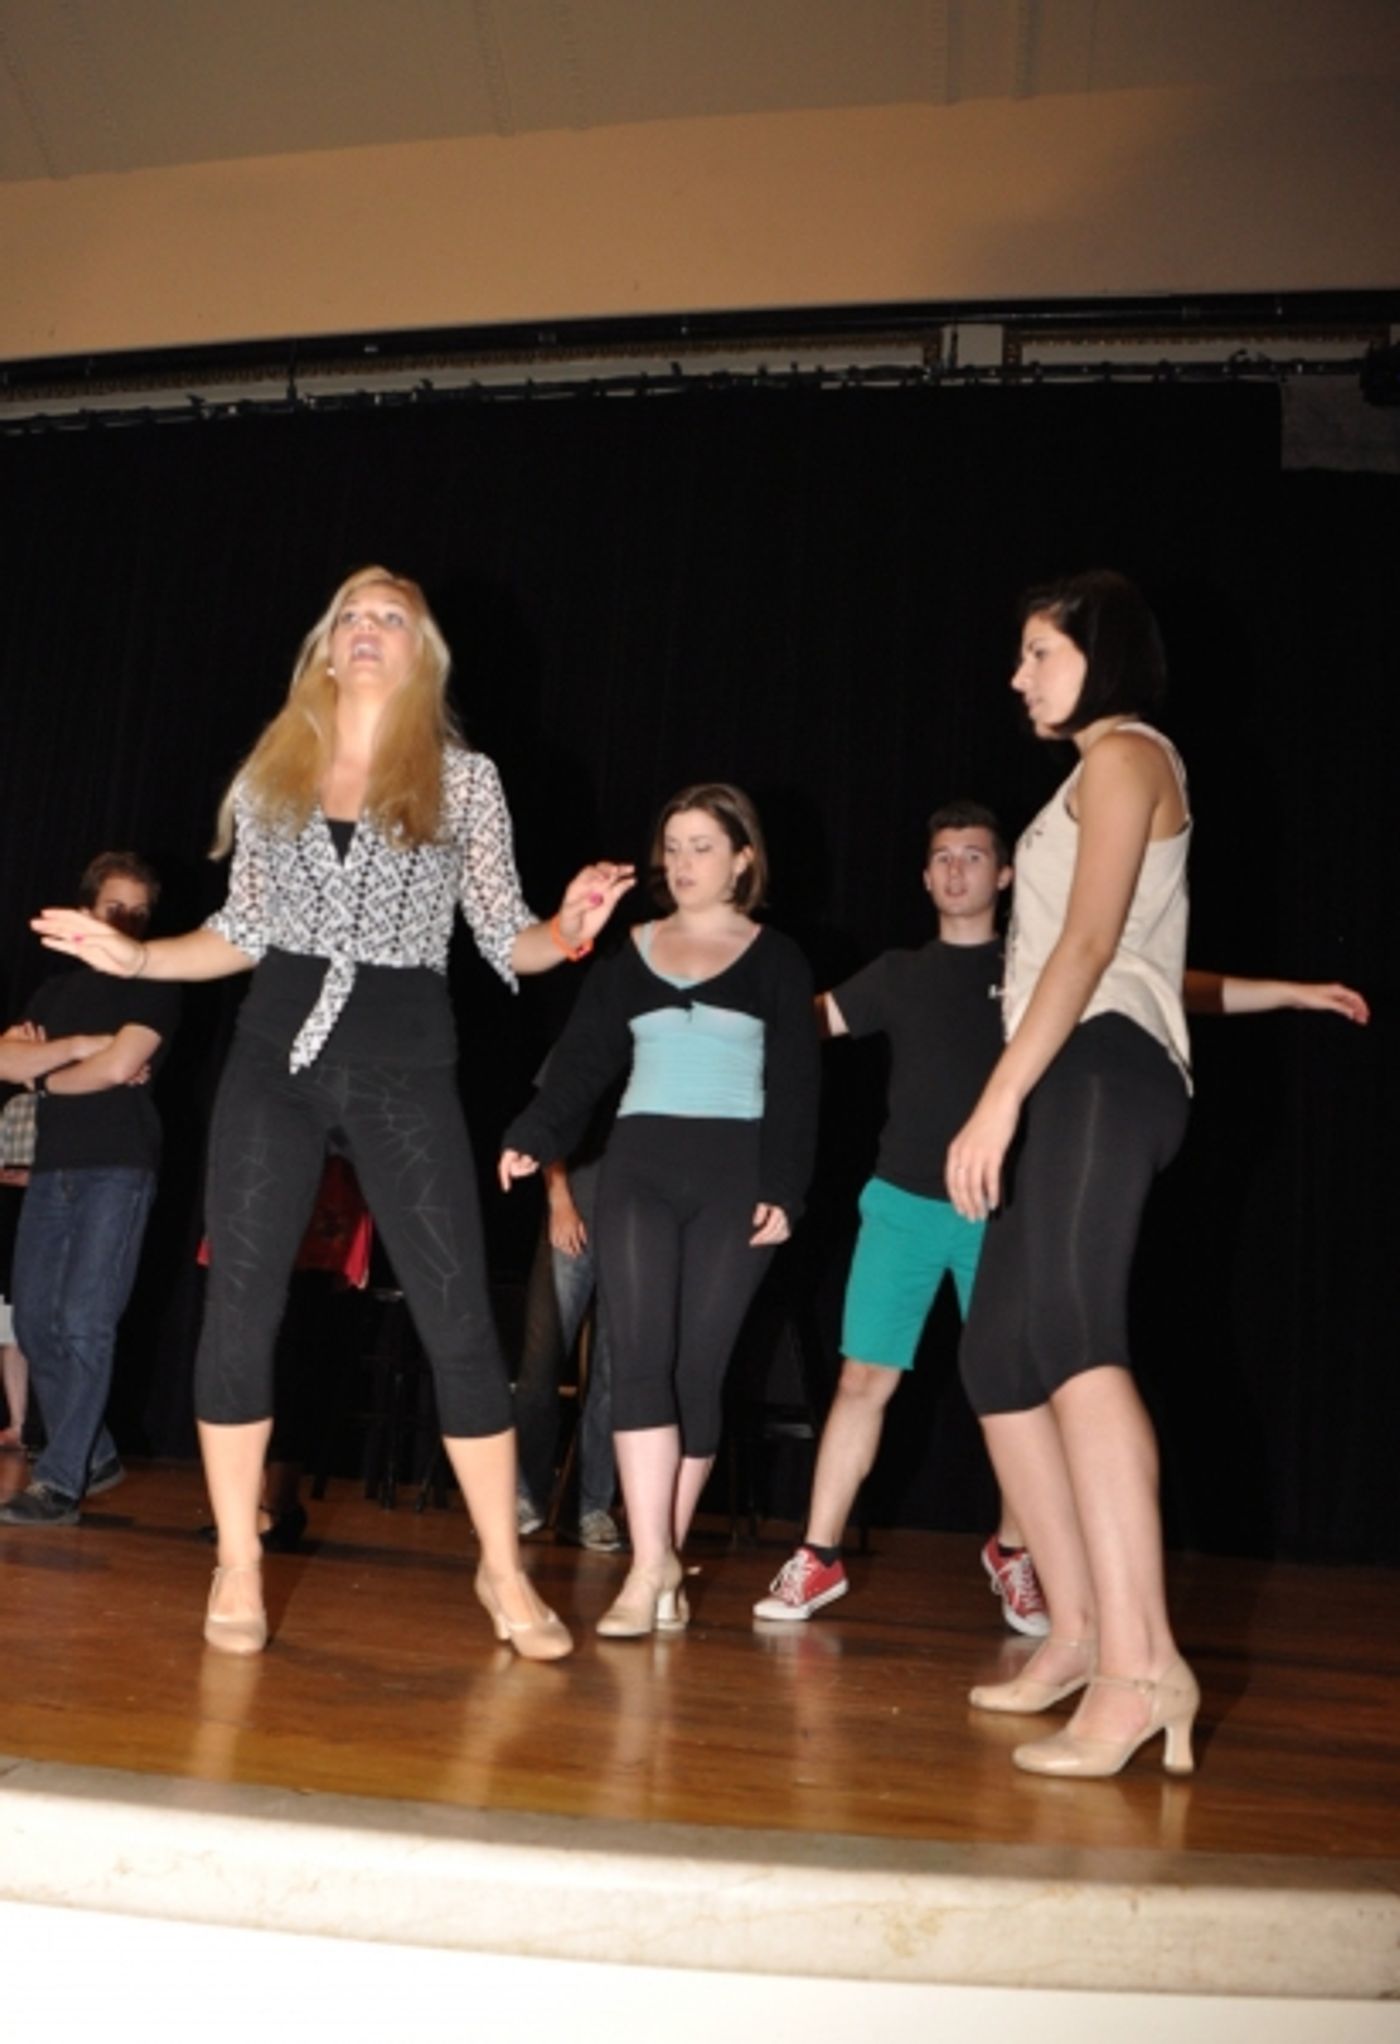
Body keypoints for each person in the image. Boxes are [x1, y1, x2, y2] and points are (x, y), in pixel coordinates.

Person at [32, 566, 633, 1658]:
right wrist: (138, 953)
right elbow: (242, 927)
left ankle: (502, 1572)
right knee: (241, 1305)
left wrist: (572, 924)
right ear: (325, 644)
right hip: (274, 1057)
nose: (366, 628)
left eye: (389, 616)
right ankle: (236, 1564)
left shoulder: (464, 779)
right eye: (350, 614)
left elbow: (507, 938)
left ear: (421, 653)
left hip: (404, 1063)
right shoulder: (278, 772)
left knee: (457, 1316)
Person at [753, 808, 1370, 1631]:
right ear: (926, 878)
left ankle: (1015, 1551)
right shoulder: (897, 972)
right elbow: (801, 1023)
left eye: (975, 855)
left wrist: (1292, 992)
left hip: (1003, 1210)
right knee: (864, 1380)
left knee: (1019, 1393)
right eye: (942, 858)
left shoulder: (1042, 966)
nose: (958, 870)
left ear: (1005, 876)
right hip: (901, 1204)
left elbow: (1171, 986)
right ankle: (817, 1557)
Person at [948, 569, 1200, 1778]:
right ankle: (1081, 1624)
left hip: (1095, 1064)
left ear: (1099, 653)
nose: (1017, 676)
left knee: (1076, 1338)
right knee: (997, 1354)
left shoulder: (1124, 751)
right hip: (1069, 1066)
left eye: (1037, 651)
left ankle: (1140, 1667)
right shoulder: (1089, 773)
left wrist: (994, 1098)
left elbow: (1092, 944)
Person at [501, 783, 820, 1637]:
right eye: (671, 847)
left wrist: (784, 1188)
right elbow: (581, 1067)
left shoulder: (778, 959)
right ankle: (648, 1574)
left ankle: (664, 1562)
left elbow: (797, 1085)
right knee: (635, 1360)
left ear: (742, 858)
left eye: (701, 847)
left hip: (734, 1175)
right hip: (639, 1168)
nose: (681, 864)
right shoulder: (629, 952)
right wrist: (534, 1133)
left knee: (697, 1372)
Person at [0, 853, 179, 1526]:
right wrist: (80, 1048)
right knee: (38, 1322)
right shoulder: (54, 992)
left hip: (119, 1170)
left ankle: (61, 1482)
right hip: (51, 1171)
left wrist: (47, 1071)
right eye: (115, 908)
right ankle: (95, 1454)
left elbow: (121, 1066)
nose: (128, 920)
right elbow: (3, 1057)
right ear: (86, 914)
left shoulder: (157, 987)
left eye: (139, 910)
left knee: (84, 1322)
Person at [514, 1142, 622, 1553]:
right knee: (540, 1364)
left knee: (614, 1375)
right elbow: (556, 1116)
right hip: (574, 1213)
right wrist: (559, 1200)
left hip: (633, 1228)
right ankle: (526, 1497)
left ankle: (589, 1507)